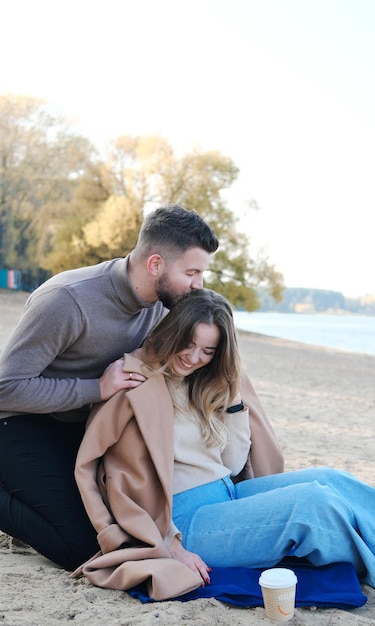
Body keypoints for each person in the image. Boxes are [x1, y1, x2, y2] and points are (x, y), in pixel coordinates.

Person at [74, 288, 375, 603]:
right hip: (184, 521)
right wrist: (167, 544)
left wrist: (233, 401)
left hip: (228, 496)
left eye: (208, 351)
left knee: (332, 479)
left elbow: (233, 463)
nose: (193, 358)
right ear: (173, 333)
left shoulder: (200, 384)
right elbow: (100, 474)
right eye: (188, 344)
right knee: (312, 504)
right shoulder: (135, 383)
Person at [0, 204, 219, 571]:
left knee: (116, 531)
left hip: (83, 428)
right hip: (19, 422)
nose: (199, 284)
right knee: (83, 549)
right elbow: (6, 387)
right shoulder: (66, 300)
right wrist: (96, 389)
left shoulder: (164, 306)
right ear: (155, 265)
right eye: (192, 272)